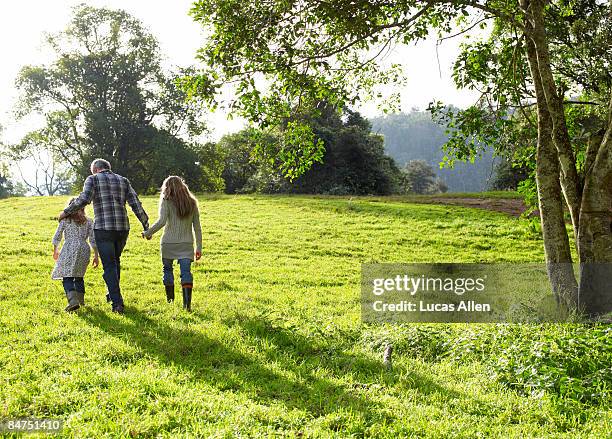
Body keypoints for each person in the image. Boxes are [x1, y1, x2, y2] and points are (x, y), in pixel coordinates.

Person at [59, 159, 149, 314]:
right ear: (108, 168)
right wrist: (146, 225)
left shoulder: (92, 179)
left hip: (104, 228)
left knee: (109, 265)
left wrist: (66, 211)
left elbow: (84, 199)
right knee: (115, 262)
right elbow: (135, 203)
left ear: (95, 169)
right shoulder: (123, 180)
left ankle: (117, 303)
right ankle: (111, 294)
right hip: (122, 228)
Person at [143, 176, 202, 311]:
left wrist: (148, 233)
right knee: (186, 272)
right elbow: (197, 227)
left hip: (168, 243)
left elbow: (162, 221)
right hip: (186, 244)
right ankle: (187, 306)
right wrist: (199, 247)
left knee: (167, 270)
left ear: (167, 187)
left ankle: (170, 302)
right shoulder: (192, 203)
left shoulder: (166, 201)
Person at [52, 199, 99, 312]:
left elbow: (58, 235)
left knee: (67, 276)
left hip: (69, 247)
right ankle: (80, 301)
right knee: (79, 276)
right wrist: (96, 256)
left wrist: (55, 250)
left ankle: (73, 302)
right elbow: (93, 240)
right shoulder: (89, 221)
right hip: (84, 248)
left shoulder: (66, 220)